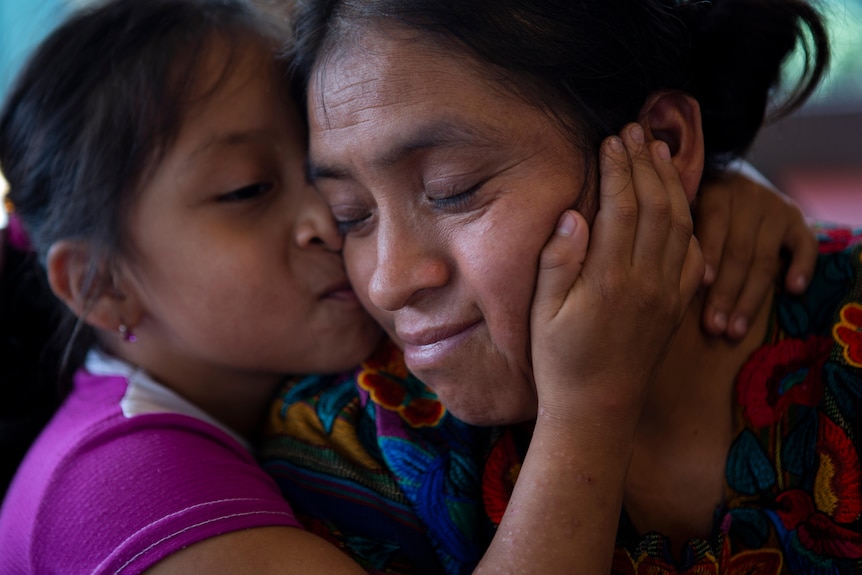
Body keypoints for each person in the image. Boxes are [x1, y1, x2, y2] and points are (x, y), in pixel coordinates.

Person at [0, 1, 783, 573]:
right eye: (246, 190)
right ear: (101, 287)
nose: (360, 255)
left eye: (450, 186)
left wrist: (705, 183)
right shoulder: (121, 487)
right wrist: (588, 406)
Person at [259, 0, 862, 573]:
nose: (389, 281)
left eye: (453, 188)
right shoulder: (352, 448)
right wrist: (587, 409)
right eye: (350, 215)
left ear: (665, 144)